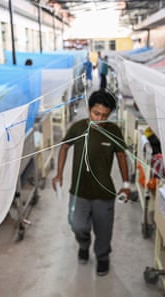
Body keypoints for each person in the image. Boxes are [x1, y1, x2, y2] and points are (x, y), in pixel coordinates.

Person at [52, 89, 131, 276]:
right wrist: (59, 174)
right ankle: (84, 244)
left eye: (105, 115)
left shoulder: (113, 131)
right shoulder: (78, 128)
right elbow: (64, 147)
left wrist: (126, 185)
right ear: (89, 110)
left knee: (104, 231)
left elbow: (121, 156)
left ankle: (103, 257)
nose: (100, 119)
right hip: (79, 192)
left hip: (104, 194)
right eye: (96, 114)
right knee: (77, 225)